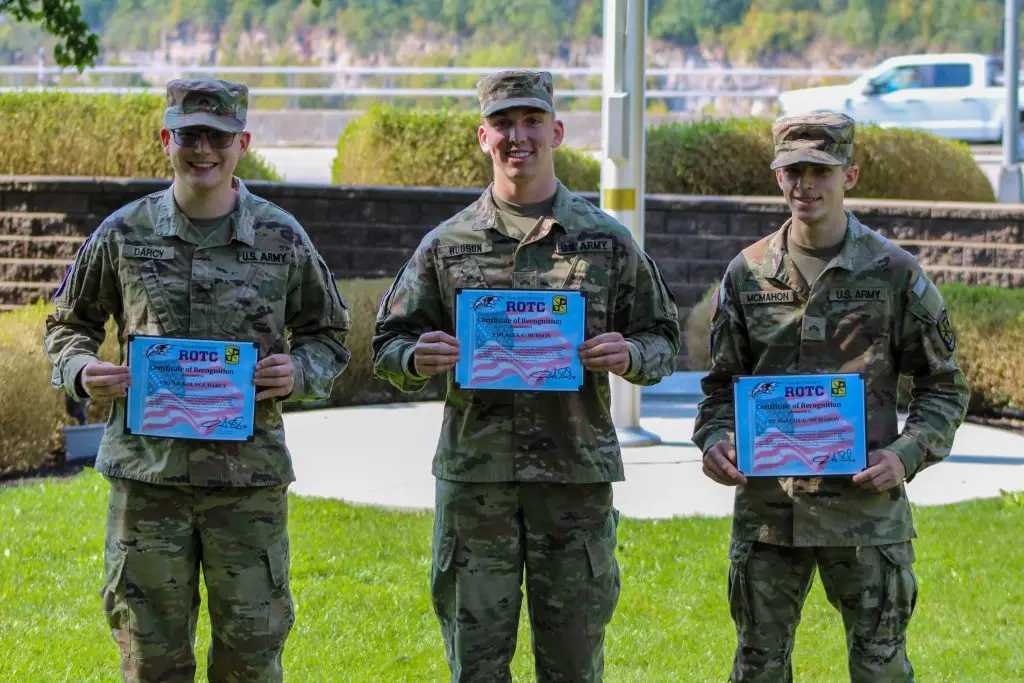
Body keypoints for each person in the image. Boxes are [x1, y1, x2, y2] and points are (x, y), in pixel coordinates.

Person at [371, 69, 680, 682]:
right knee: (477, 666)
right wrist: (416, 357)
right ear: (483, 137)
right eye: (505, 124)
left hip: (572, 482)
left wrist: (628, 355)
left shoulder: (606, 241)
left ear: (557, 131)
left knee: (571, 664)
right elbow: (386, 345)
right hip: (476, 484)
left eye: (532, 121)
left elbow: (664, 339)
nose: (520, 137)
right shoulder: (447, 244)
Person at [43, 78, 351, 682]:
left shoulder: (281, 237)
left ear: (243, 142)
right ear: (167, 139)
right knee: (151, 658)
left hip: (246, 487)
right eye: (190, 135)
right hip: (148, 483)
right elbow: (66, 325)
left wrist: (300, 372)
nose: (203, 149)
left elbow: (329, 336)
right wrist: (82, 370)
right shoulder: (123, 234)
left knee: (250, 656)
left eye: (219, 136)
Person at [693, 112, 970, 682]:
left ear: (851, 174)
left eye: (820, 170)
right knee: (758, 667)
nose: (805, 185)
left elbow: (944, 383)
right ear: (777, 177)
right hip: (771, 513)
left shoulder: (894, 273)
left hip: (865, 514)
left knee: (880, 669)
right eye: (792, 170)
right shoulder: (747, 274)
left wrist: (907, 454)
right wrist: (716, 441)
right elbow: (721, 386)